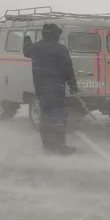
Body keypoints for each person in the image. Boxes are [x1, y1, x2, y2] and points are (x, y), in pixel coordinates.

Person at [23, 23, 79, 154]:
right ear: (55, 35)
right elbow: (68, 70)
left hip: (41, 90)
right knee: (59, 117)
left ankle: (47, 145)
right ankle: (60, 146)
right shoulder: (61, 49)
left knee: (46, 116)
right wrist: (73, 86)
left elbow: (26, 50)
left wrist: (27, 40)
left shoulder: (36, 48)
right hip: (56, 90)